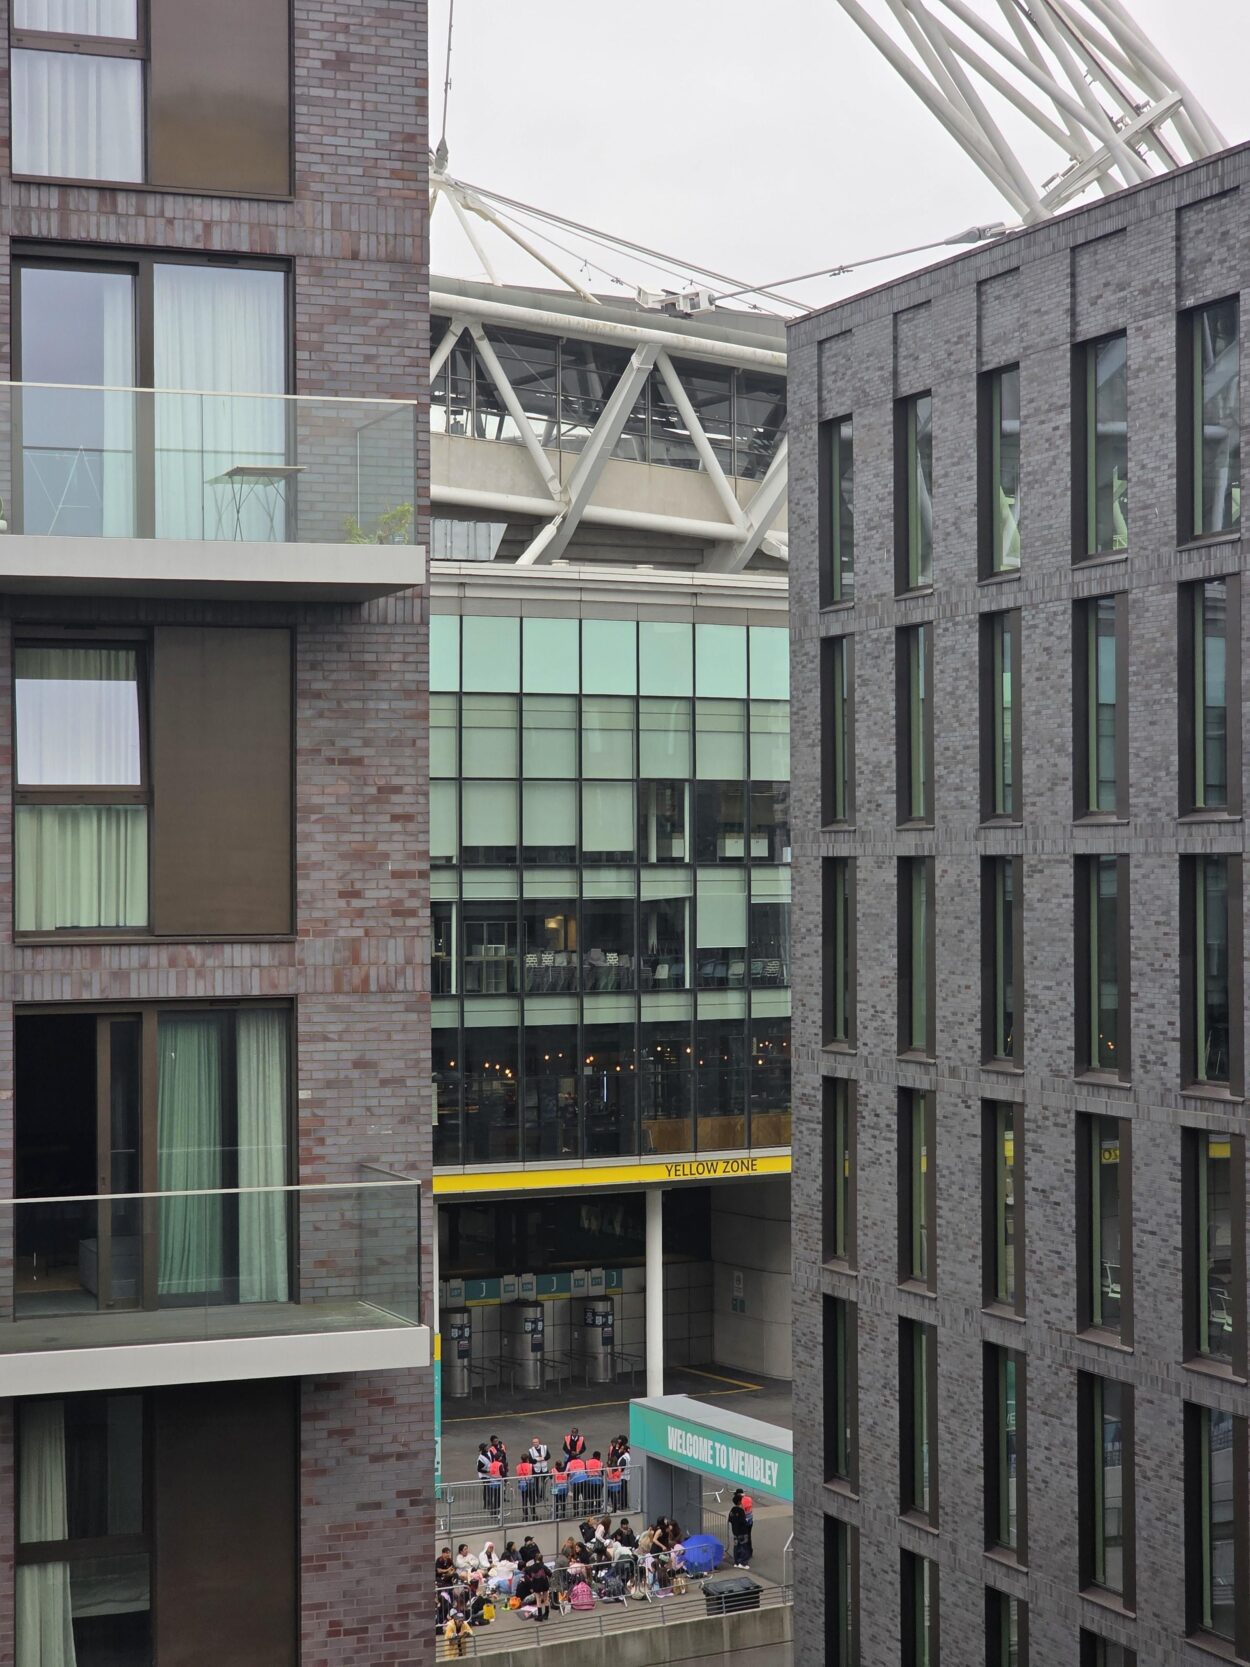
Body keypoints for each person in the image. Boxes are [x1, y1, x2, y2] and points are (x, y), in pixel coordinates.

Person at [728, 1490, 751, 1568]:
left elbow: (730, 1519)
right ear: (739, 1502)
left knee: (736, 1547)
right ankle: (743, 1563)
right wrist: (746, 1521)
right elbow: (743, 1521)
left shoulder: (732, 1510)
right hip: (742, 1532)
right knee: (744, 1547)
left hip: (735, 1532)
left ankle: (736, 1562)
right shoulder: (741, 1511)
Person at [528, 1434, 551, 1508]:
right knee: (536, 1484)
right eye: (534, 1442)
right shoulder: (531, 1450)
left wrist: (543, 1458)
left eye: (536, 1442)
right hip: (536, 1469)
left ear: (539, 1442)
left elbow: (548, 1456)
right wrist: (538, 1460)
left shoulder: (544, 1447)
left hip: (544, 1469)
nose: (535, 1443)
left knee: (544, 1483)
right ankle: (538, 1497)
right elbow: (531, 1460)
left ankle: (543, 1496)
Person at [529, 1556, 551, 1622]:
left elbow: (530, 1575)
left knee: (538, 1599)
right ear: (542, 1559)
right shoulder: (543, 1566)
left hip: (536, 1584)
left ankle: (540, 1616)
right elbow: (550, 1573)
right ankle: (546, 1614)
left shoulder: (532, 1567)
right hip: (544, 1583)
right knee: (546, 1599)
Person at [515, 1453, 534, 1521]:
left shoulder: (518, 1466)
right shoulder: (530, 1465)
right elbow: (533, 1473)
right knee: (532, 1500)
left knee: (524, 1500)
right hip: (530, 1483)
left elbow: (518, 1474)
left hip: (522, 1484)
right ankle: (533, 1515)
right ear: (527, 1459)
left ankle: (525, 1516)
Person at [585, 1449, 604, 1513]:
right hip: (598, 1482)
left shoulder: (587, 1462)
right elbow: (602, 1473)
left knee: (591, 1497)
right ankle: (598, 1509)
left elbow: (585, 1471)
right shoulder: (600, 1463)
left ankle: (591, 1509)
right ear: (598, 1457)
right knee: (598, 1496)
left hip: (589, 1482)